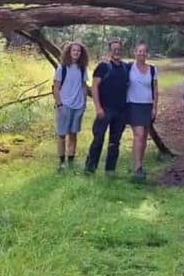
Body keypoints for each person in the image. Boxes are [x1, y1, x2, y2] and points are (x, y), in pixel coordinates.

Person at [84, 40, 130, 175]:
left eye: (119, 49)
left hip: (120, 111)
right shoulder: (103, 67)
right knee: (98, 139)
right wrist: (98, 107)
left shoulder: (126, 67)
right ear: (110, 51)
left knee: (115, 142)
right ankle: (90, 168)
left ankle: (110, 169)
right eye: (114, 49)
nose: (117, 51)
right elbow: (94, 87)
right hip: (105, 109)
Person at [52, 41, 90, 172]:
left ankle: (71, 161)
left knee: (73, 134)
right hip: (64, 105)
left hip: (78, 106)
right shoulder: (61, 68)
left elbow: (84, 86)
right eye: (74, 50)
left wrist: (83, 104)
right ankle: (62, 163)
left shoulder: (83, 68)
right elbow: (56, 88)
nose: (76, 53)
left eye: (79, 51)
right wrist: (59, 104)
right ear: (69, 52)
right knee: (62, 135)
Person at [126, 42, 158, 180]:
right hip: (133, 105)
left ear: (147, 54)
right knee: (138, 135)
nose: (142, 54)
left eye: (144, 51)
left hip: (147, 105)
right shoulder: (128, 68)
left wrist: (155, 107)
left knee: (144, 137)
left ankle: (140, 164)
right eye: (139, 51)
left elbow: (155, 90)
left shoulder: (152, 69)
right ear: (135, 52)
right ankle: (137, 167)